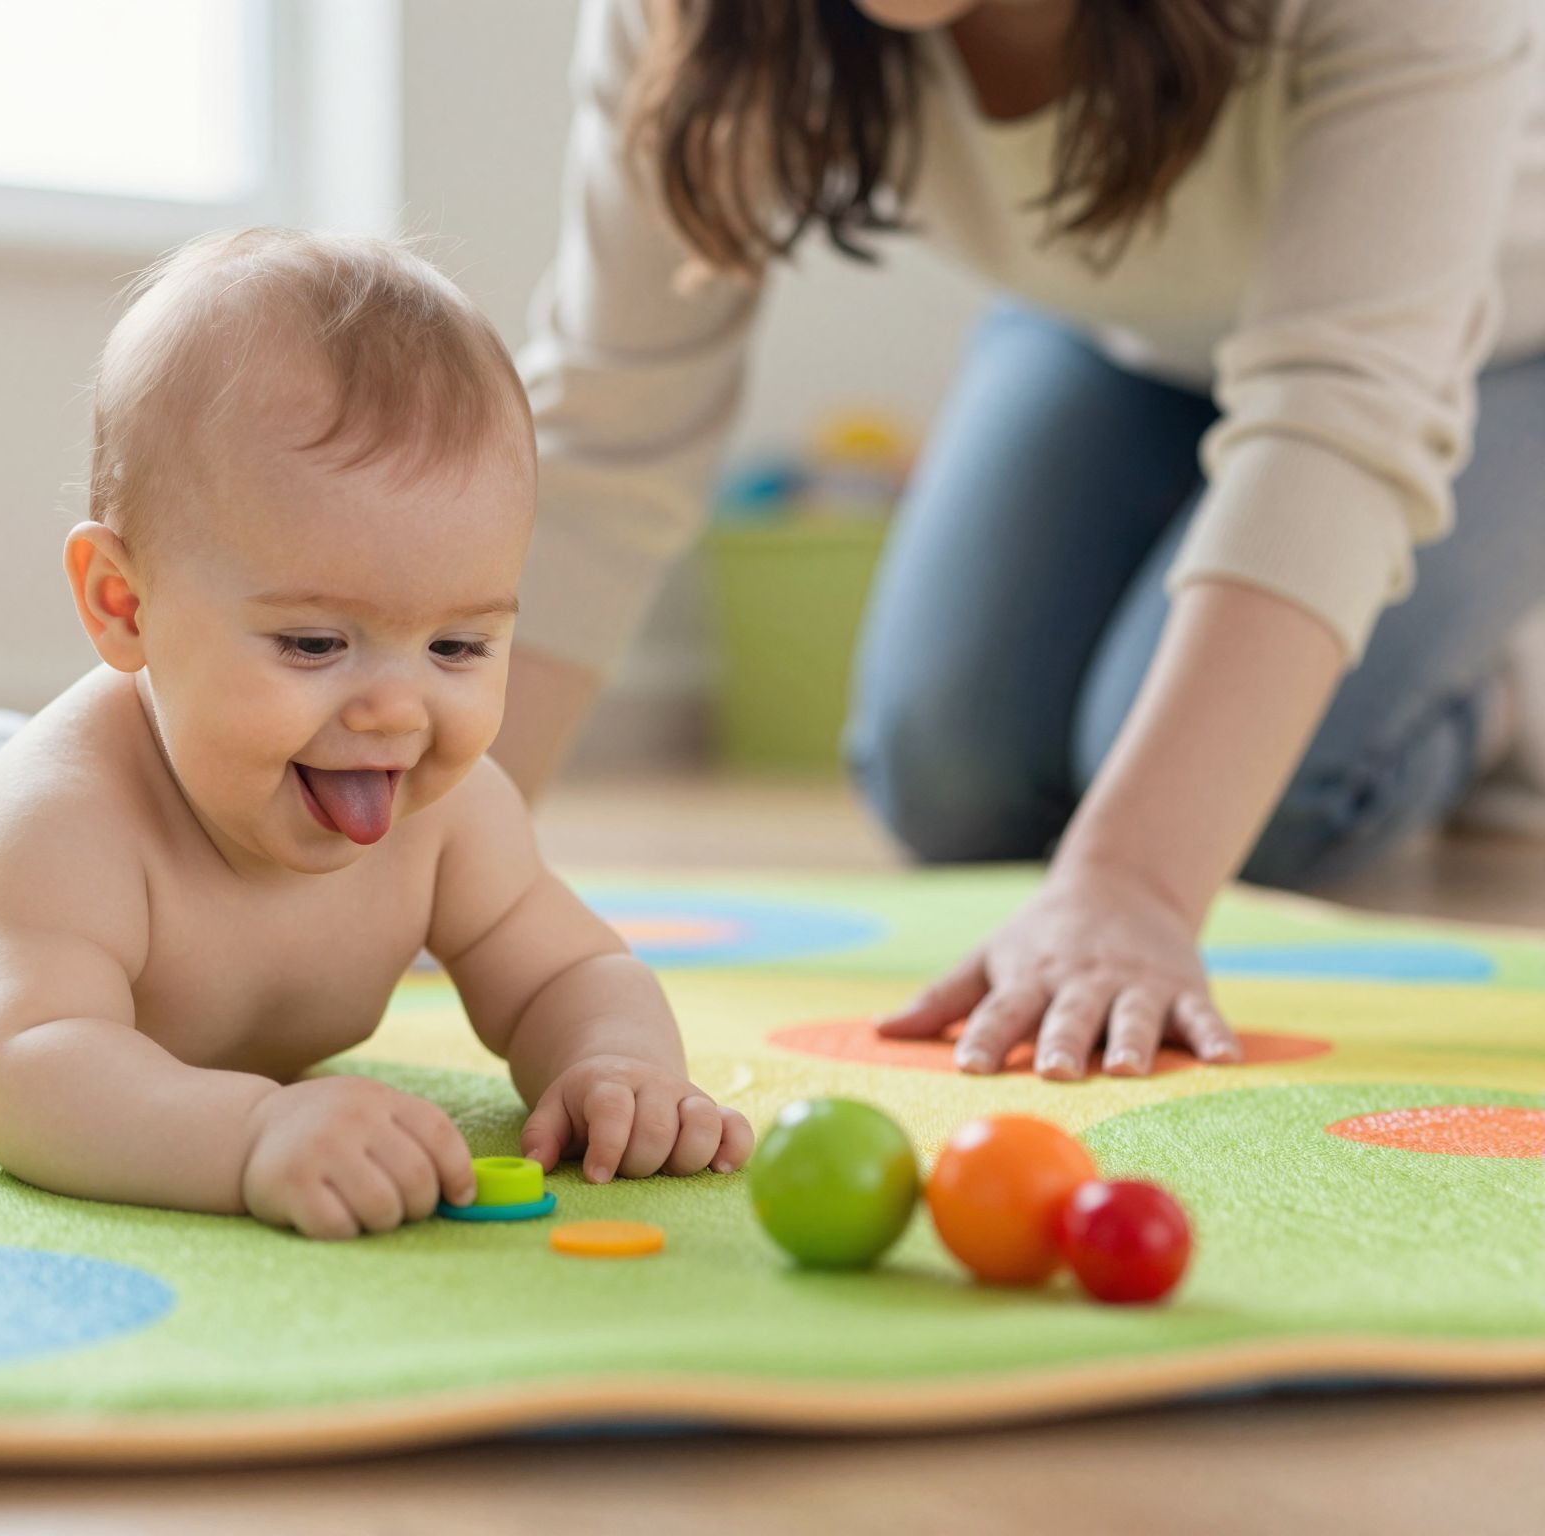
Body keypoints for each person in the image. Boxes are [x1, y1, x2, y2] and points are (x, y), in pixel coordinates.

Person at [0, 229, 754, 1239]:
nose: (397, 710)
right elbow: (24, 1075)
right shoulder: (62, 823)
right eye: (314, 643)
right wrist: (248, 1133)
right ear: (124, 607)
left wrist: (614, 1065)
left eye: (457, 646)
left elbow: (569, 970)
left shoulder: (452, 814)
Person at [494, 0, 1545, 1079]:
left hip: (1484, 351)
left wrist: (1131, 885)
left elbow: (1340, 419)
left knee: (1263, 810)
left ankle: (1489, 690)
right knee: (954, 781)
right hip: (1122, 328)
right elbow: (612, 419)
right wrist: (447, 826)